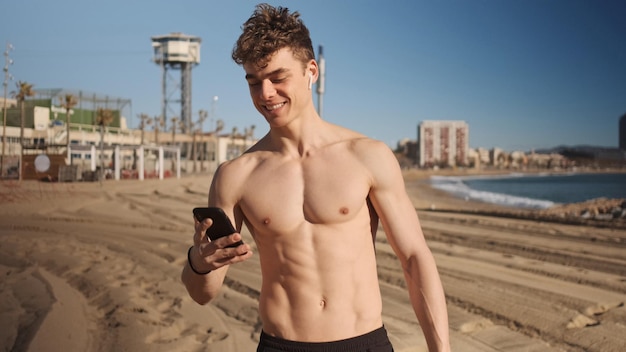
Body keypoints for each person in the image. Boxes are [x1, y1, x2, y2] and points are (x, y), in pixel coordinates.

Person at [181, 3, 451, 352]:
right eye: (254, 82)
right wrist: (198, 262)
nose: (265, 94)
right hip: (281, 345)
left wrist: (440, 349)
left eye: (278, 78)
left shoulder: (367, 156)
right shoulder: (235, 175)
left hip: (364, 343)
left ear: (312, 71)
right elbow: (203, 293)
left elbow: (415, 258)